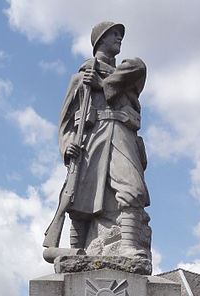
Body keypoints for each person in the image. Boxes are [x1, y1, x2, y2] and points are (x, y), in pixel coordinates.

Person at [55, 21, 151, 263]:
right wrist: (67, 146)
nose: (119, 38)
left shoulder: (127, 73)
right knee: (79, 199)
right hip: (90, 140)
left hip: (120, 132)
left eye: (120, 34)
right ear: (100, 40)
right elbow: (65, 121)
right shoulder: (79, 79)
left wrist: (102, 84)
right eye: (114, 34)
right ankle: (76, 253)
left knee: (132, 188)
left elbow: (140, 67)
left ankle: (128, 246)